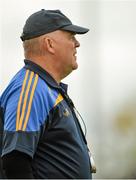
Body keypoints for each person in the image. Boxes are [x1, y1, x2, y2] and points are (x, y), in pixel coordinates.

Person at [0, 9, 95, 179]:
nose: (77, 43)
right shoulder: (30, 88)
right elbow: (15, 160)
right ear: (49, 44)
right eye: (71, 36)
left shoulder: (43, 87)